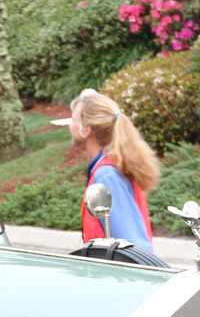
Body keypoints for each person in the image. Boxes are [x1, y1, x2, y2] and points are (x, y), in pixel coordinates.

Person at [57, 88, 161, 250]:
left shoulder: (106, 175)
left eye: (73, 120)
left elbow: (134, 245)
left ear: (86, 128)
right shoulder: (109, 168)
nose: (70, 126)